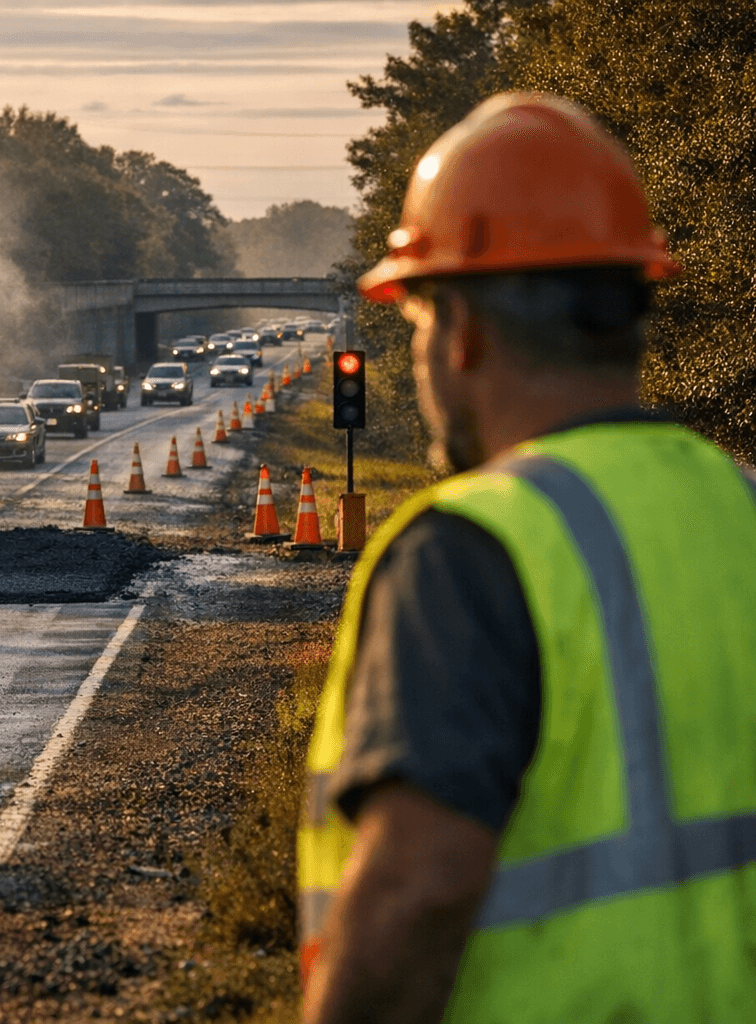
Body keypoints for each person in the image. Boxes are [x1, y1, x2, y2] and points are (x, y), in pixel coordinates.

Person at [298, 93, 756, 1023]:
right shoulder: (737, 504)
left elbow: (417, 895)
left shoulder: (472, 548)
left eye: (420, 324)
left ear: (461, 331)